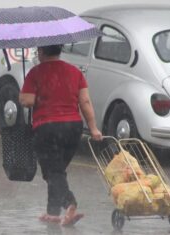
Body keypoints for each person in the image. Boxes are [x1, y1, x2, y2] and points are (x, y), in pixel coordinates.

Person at [19, 44, 102, 226]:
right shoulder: (75, 72)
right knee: (56, 172)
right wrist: (94, 128)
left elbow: (28, 100)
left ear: (41, 52)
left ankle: (70, 204)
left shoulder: (35, 73)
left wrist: (23, 96)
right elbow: (85, 101)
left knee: (53, 172)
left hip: (47, 128)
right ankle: (53, 214)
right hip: (73, 129)